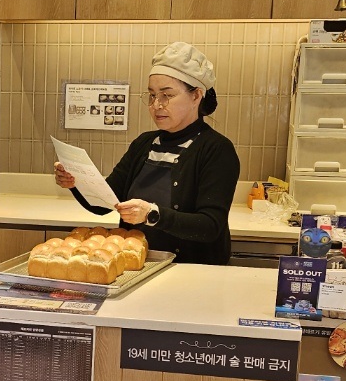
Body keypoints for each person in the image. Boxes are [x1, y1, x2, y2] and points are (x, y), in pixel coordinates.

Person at [54, 41, 240, 265]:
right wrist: (76, 183)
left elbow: (209, 226)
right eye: (152, 95)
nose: (156, 105)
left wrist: (152, 214)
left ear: (196, 96)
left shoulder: (217, 150)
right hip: (137, 266)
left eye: (167, 95)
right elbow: (104, 204)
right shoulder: (144, 143)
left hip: (191, 272)